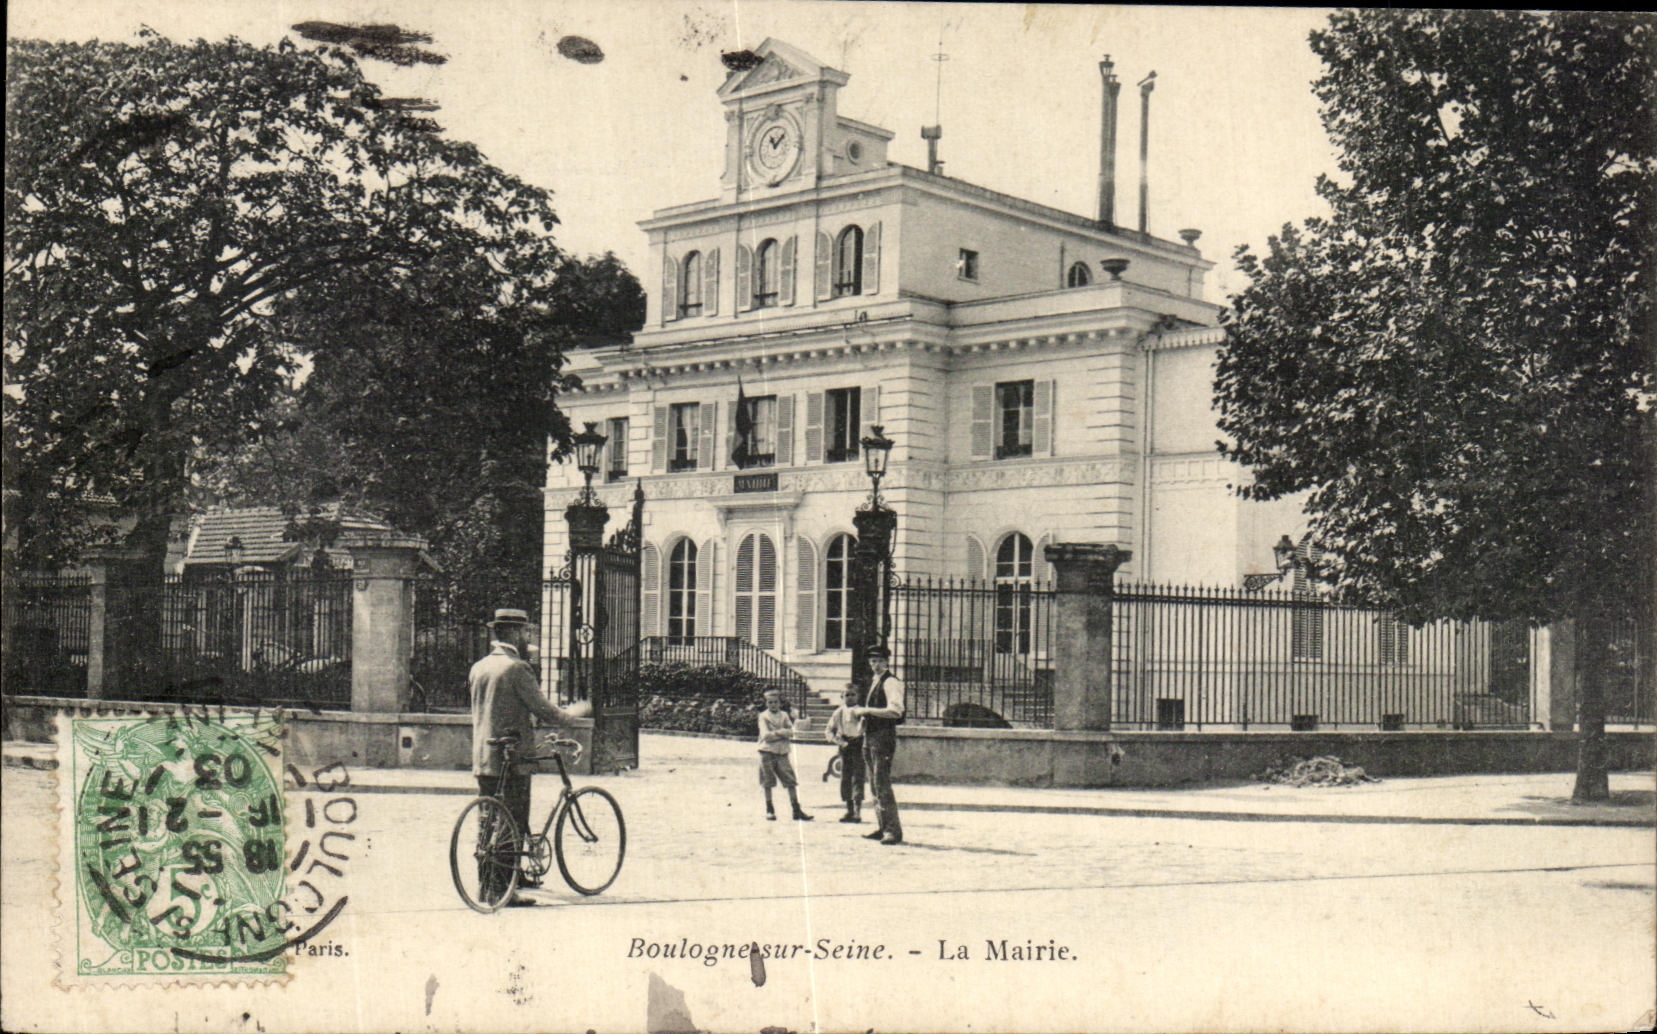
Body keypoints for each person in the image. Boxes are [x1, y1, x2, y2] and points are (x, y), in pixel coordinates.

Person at [470, 608, 589, 901]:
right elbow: (545, 710)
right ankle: (501, 892)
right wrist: (572, 715)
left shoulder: (480, 666)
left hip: (484, 756)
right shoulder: (517, 668)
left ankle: (495, 882)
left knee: (489, 822)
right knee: (512, 819)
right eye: (525, 632)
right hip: (513, 758)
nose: (527, 637)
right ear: (512, 633)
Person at [852, 644, 904, 845]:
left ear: (887, 661)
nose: (876, 665)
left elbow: (895, 711)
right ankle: (883, 827)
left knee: (881, 783)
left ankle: (892, 831)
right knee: (874, 784)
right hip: (871, 736)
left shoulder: (891, 682)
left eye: (880, 661)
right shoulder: (874, 681)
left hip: (883, 736)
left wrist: (867, 711)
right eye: (873, 661)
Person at [757, 689, 812, 822]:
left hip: (782, 752)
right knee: (767, 782)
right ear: (766, 703)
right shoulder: (763, 716)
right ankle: (769, 809)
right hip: (767, 752)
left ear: (780, 703)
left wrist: (778, 732)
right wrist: (782, 733)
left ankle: (796, 809)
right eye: (770, 702)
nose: (773, 705)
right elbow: (766, 736)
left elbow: (792, 731)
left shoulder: (784, 716)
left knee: (790, 780)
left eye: (775, 702)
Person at [825, 681, 866, 823]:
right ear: (841, 696)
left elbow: (865, 728)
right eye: (847, 695)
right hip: (845, 746)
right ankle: (849, 810)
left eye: (853, 695)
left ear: (858, 696)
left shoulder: (861, 711)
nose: (850, 697)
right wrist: (839, 741)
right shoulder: (838, 712)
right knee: (845, 778)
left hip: (858, 745)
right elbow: (829, 730)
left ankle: (857, 811)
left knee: (858, 777)